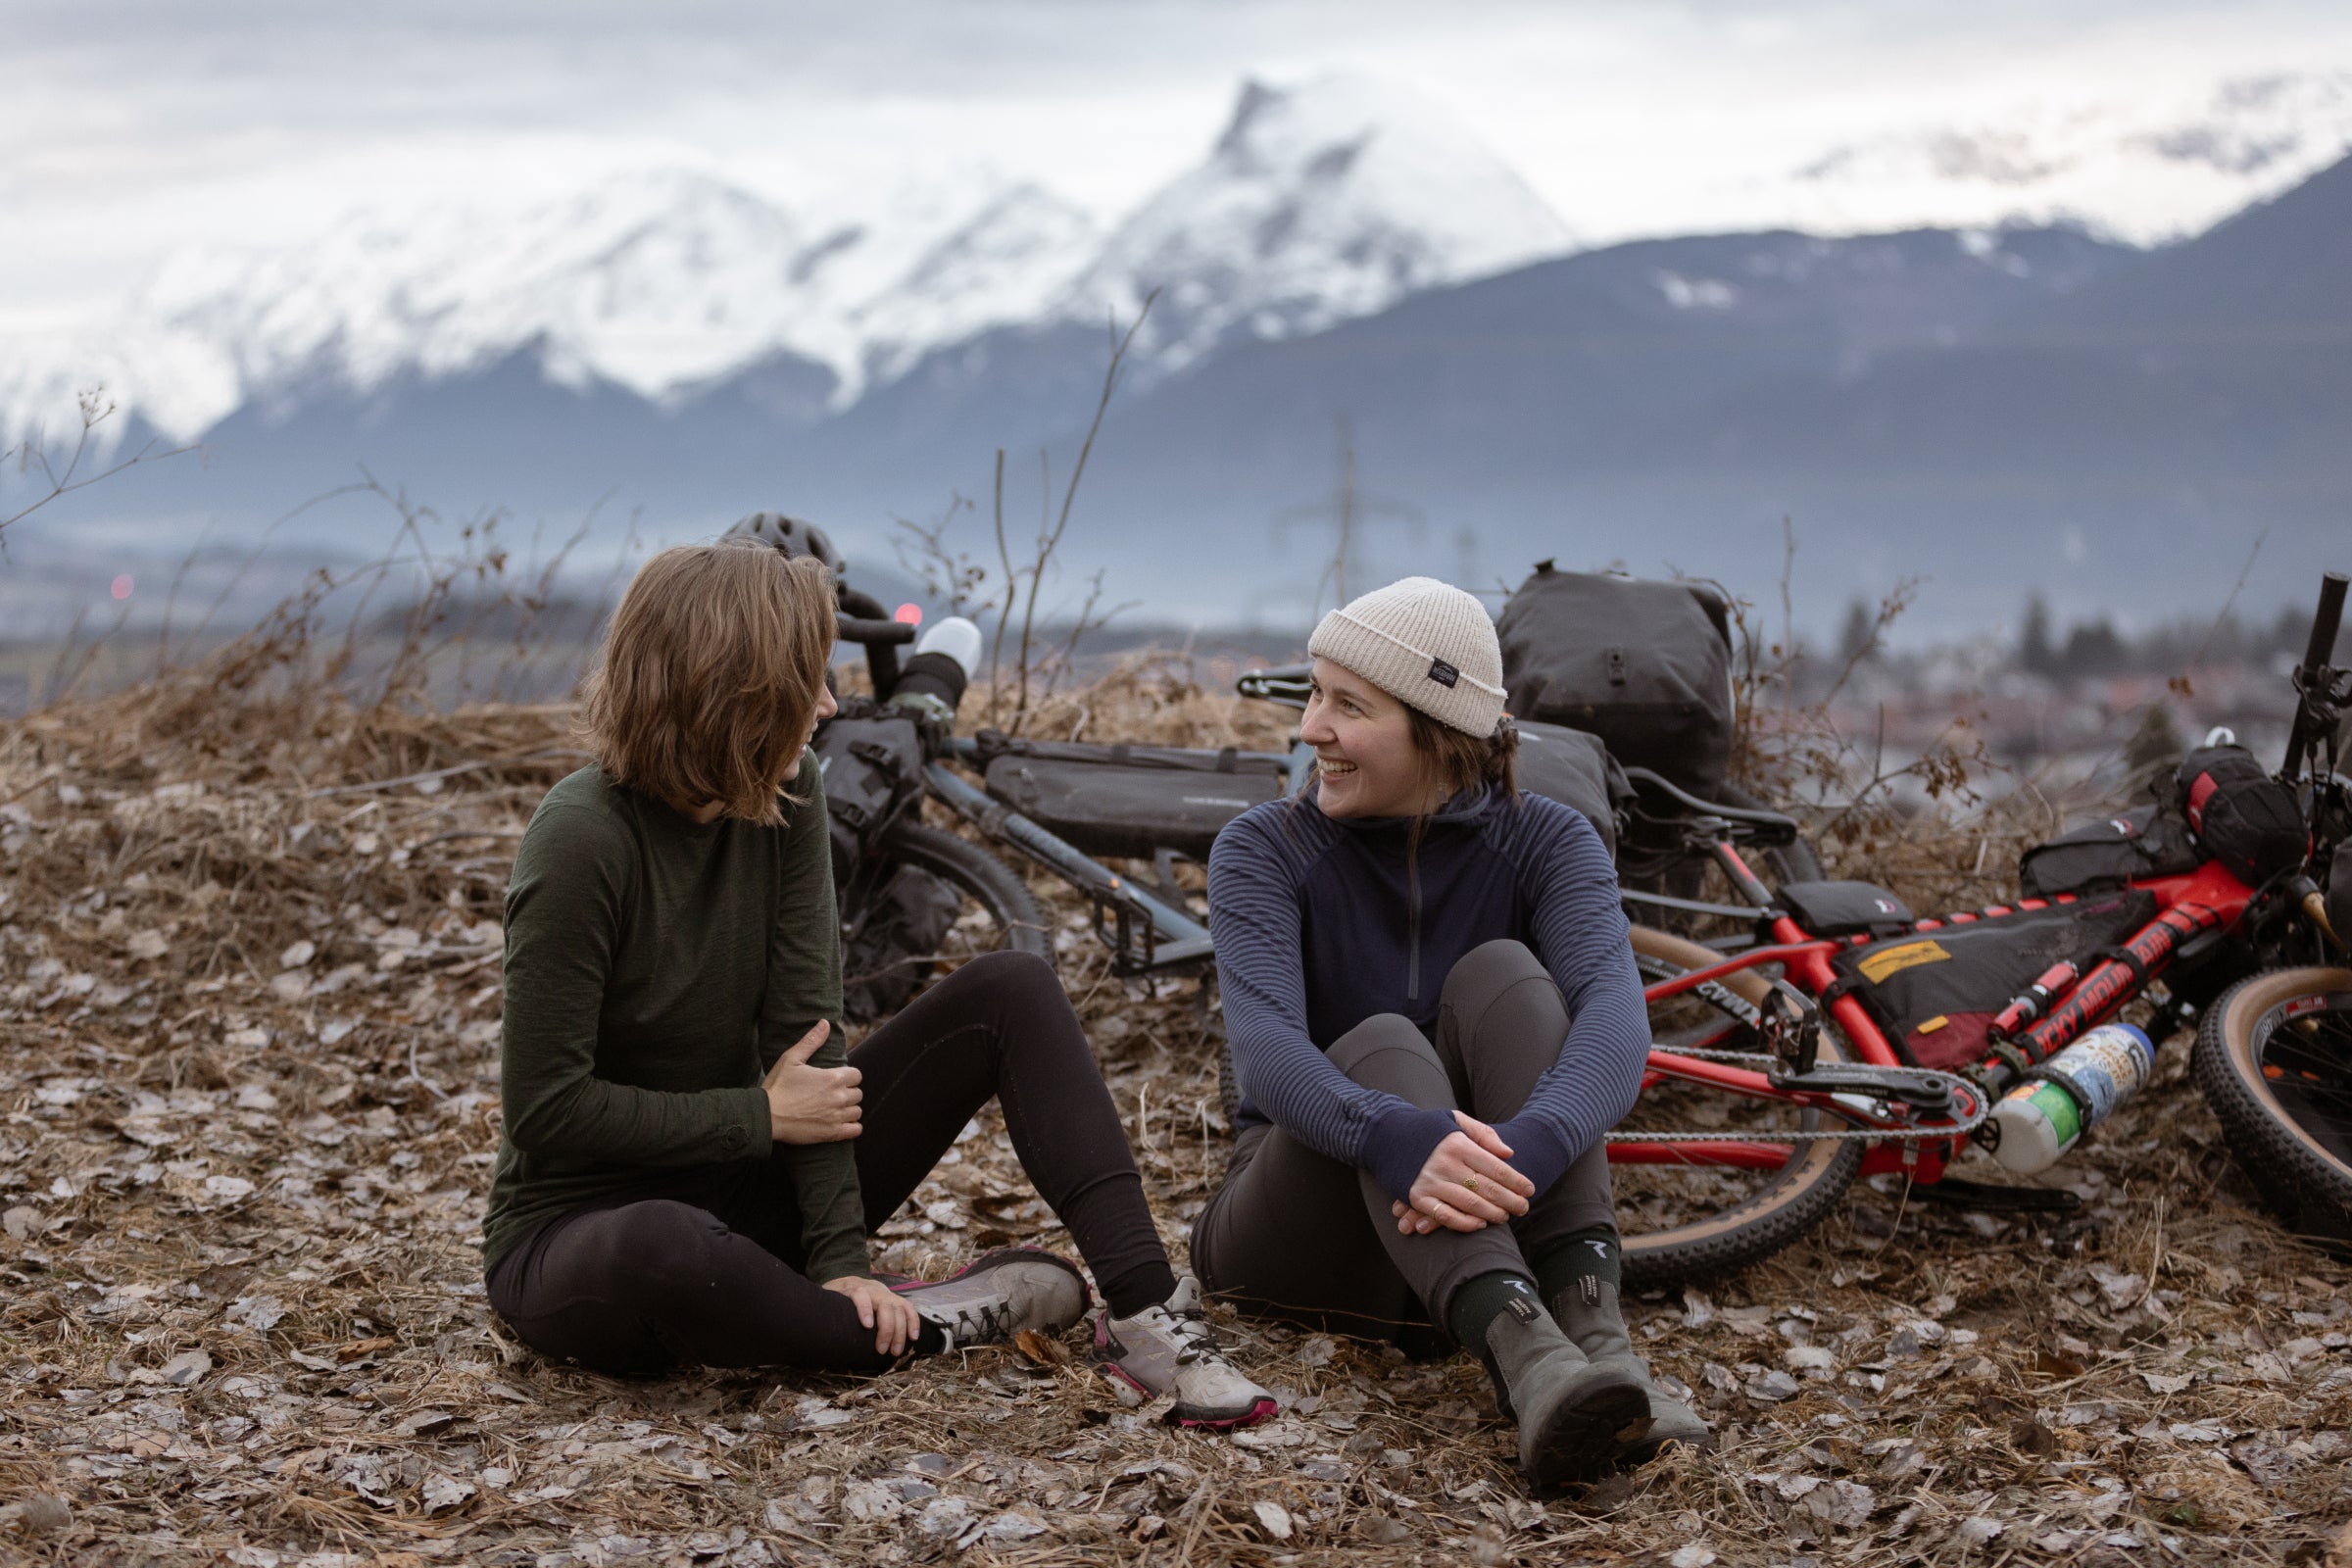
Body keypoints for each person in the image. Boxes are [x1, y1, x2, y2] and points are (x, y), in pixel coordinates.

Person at [481, 540, 1274, 1428]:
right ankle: (917, 1328)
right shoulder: (581, 838)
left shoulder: (786, 790)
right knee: (664, 1242)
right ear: (732, 691)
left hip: (748, 1199)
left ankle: (1144, 1312)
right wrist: (759, 1116)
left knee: (1010, 988)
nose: (826, 708)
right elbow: (545, 1109)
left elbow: (812, 1040)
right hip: (584, 1234)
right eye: (806, 683)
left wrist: (841, 1259)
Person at [1195, 575, 1710, 1487]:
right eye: (1315, 694)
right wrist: (1397, 1136)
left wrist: (1527, 1153)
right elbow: (1270, 1060)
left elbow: (1618, 1028)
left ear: (1437, 732)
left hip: (1483, 1219)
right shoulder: (1262, 849)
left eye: (1348, 706)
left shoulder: (1550, 841)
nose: (1311, 728)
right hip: (1302, 1239)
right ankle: (1533, 1364)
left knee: (1510, 979)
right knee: (1387, 1043)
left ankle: (1598, 1345)